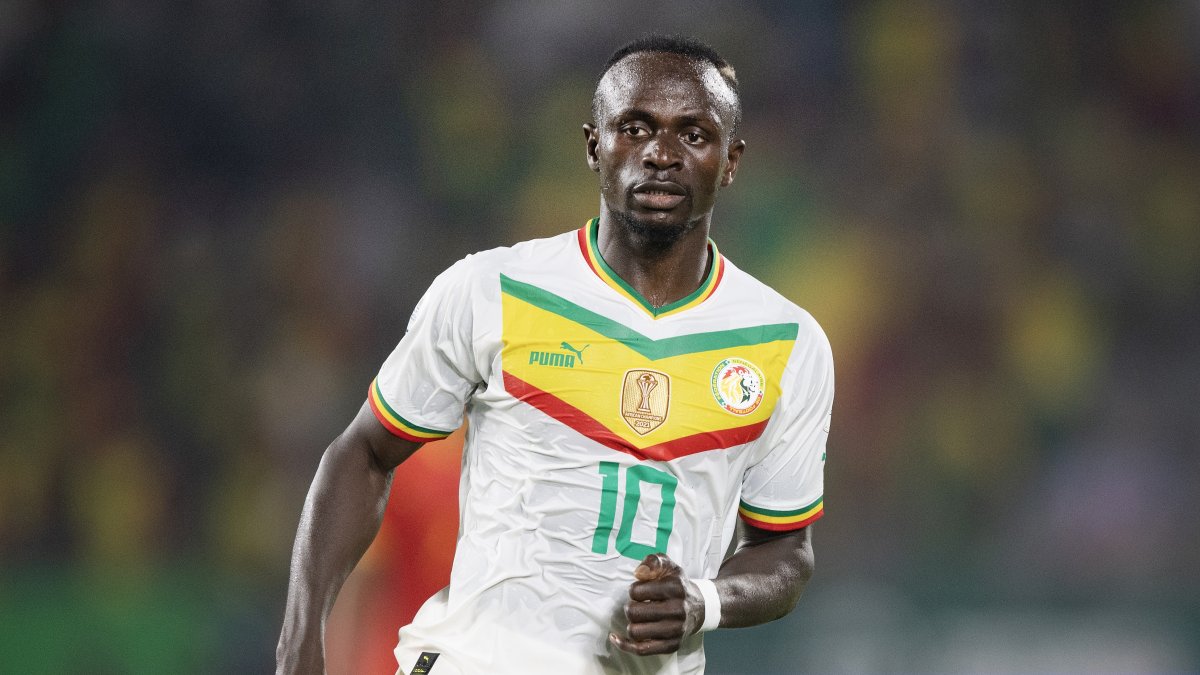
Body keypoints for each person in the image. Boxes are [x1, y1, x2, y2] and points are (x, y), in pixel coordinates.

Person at [276, 34, 834, 675]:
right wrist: (300, 647)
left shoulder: (788, 344)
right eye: (636, 127)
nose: (661, 155)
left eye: (694, 135)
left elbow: (786, 551)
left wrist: (703, 601)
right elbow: (365, 451)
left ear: (731, 161)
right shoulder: (492, 290)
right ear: (595, 145)